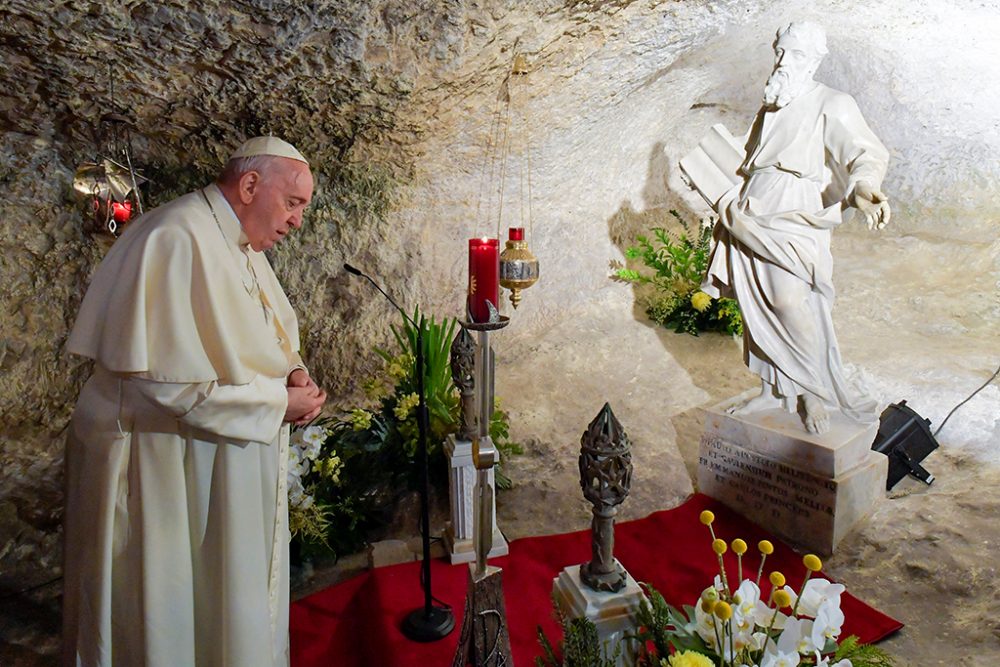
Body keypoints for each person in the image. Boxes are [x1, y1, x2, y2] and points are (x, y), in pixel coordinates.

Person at [62, 136, 327, 666]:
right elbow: (163, 385)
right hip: (159, 468)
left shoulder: (239, 242)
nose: (298, 220)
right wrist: (277, 404)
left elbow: (266, 330)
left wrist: (292, 370)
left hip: (211, 465)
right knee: (170, 612)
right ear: (250, 185)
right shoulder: (174, 235)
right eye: (293, 202)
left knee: (220, 607)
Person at [701, 22, 891, 435]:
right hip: (750, 210)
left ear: (816, 60)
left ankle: (812, 391)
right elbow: (754, 154)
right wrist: (706, 166)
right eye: (781, 52)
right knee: (756, 306)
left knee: (790, 301)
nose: (784, 62)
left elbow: (865, 152)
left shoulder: (833, 102)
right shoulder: (772, 104)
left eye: (797, 55)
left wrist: (864, 188)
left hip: (794, 213)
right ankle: (773, 390)